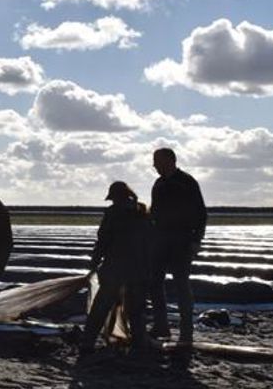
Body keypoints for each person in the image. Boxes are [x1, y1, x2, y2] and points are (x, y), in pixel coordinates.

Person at [79, 181, 152, 356]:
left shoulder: (113, 213)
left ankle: (87, 343)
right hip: (139, 267)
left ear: (115, 197)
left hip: (115, 266)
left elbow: (103, 241)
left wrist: (93, 263)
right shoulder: (142, 212)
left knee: (101, 306)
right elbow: (150, 242)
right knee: (136, 308)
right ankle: (139, 345)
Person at [149, 148, 207, 345]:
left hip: (181, 240)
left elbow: (201, 213)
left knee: (181, 284)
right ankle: (161, 325)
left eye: (156, 161)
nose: (154, 165)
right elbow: (154, 213)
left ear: (169, 160)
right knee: (154, 281)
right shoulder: (158, 184)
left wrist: (196, 240)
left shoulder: (187, 182)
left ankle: (186, 331)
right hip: (159, 240)